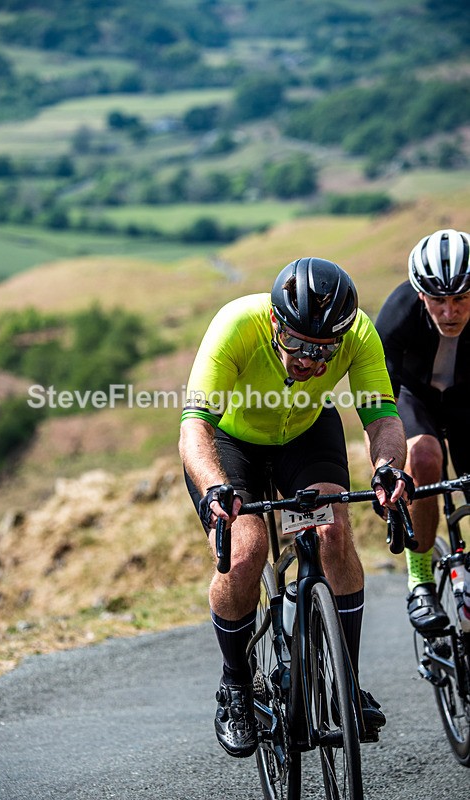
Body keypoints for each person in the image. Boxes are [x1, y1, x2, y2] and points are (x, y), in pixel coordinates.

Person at [179, 256, 413, 758]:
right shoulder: (236, 325)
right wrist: (218, 487)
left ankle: (345, 683)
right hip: (230, 442)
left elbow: (383, 417)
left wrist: (389, 467)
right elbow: (194, 426)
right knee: (247, 550)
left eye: (323, 349)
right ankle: (236, 685)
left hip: (304, 435)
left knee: (333, 530)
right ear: (274, 322)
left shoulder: (359, 335)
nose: (308, 360)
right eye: (297, 343)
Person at [376, 228, 470, 635]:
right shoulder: (397, 313)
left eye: (461, 299)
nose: (449, 312)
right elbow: (380, 405)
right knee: (425, 458)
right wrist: (386, 469)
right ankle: (421, 581)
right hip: (417, 400)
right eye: (438, 300)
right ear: (419, 294)